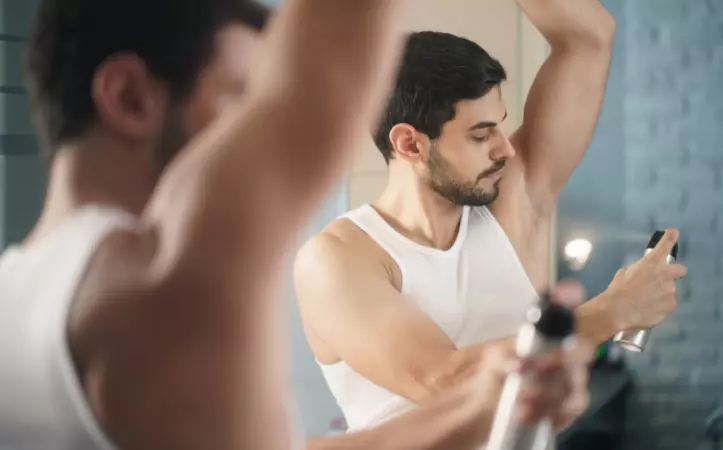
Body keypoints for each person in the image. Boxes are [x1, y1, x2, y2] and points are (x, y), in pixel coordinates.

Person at [0, 1, 586, 450]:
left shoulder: (17, 296)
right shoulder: (157, 284)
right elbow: (329, 66)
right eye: (240, 100)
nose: (252, 132)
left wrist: (487, 401)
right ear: (129, 99)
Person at [294, 0, 688, 437]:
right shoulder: (337, 258)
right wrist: (611, 311)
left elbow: (589, 37)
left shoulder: (512, 204)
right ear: (409, 144)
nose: (506, 149)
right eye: (481, 135)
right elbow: (444, 380)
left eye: (500, 126)